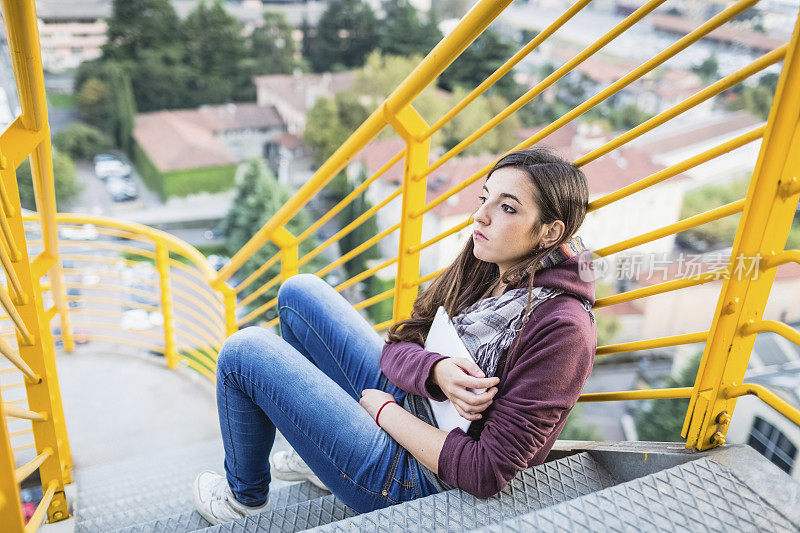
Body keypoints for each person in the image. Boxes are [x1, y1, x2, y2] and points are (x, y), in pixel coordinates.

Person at [192, 147, 597, 525]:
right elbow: (401, 342)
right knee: (300, 293)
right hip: (408, 401)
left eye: (507, 207)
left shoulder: (563, 331)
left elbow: (485, 471)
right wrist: (436, 371)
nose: (481, 217)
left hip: (416, 476)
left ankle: (241, 499)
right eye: (484, 198)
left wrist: (384, 413)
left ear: (548, 232)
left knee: (244, 351)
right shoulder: (489, 261)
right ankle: (317, 454)